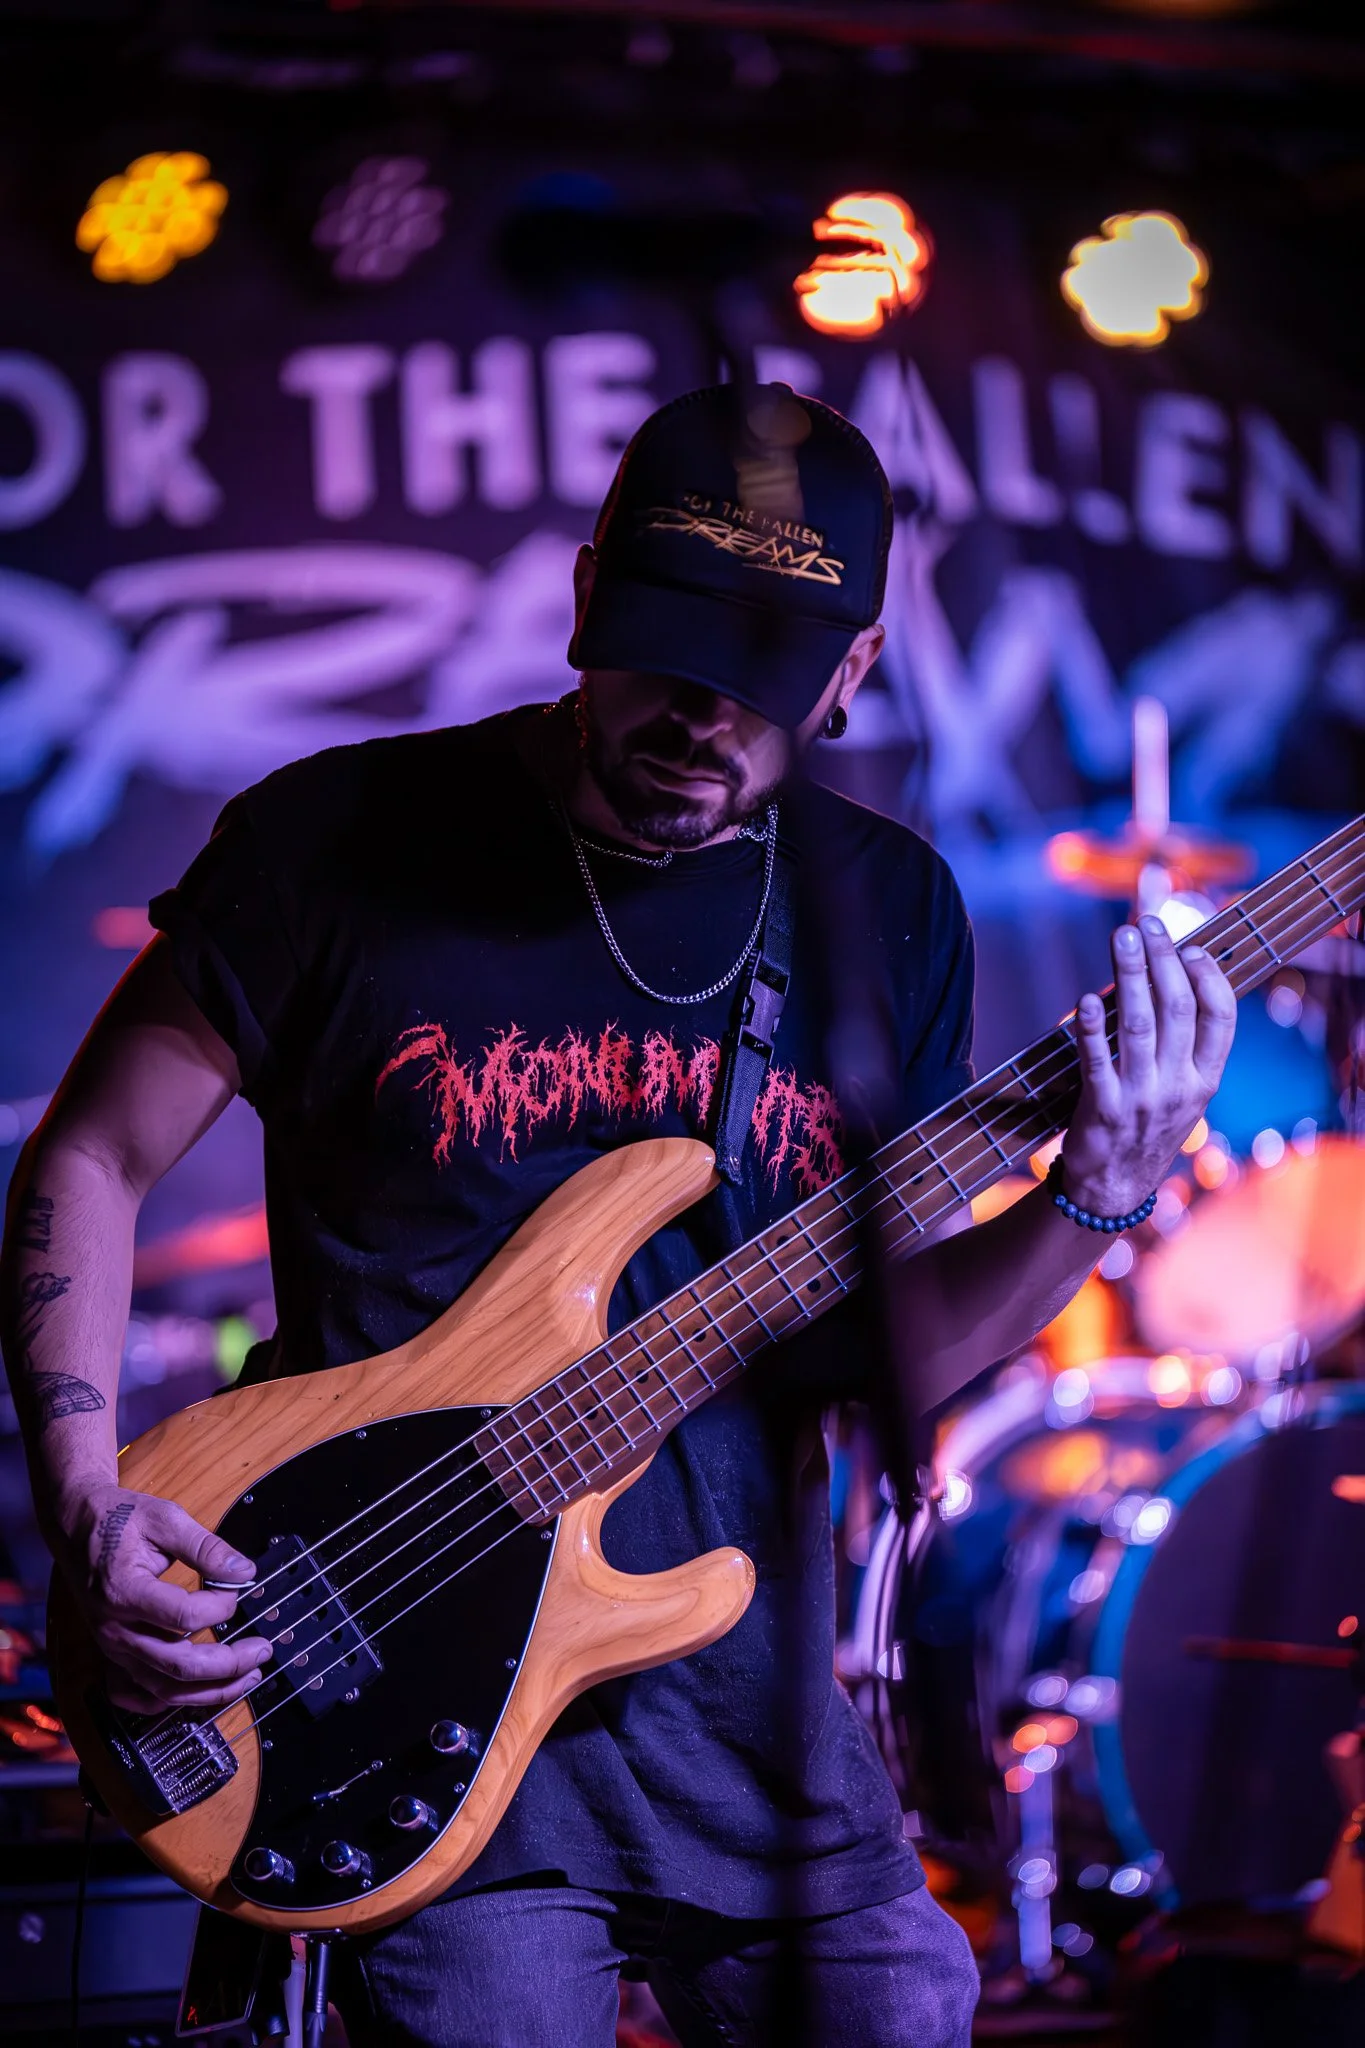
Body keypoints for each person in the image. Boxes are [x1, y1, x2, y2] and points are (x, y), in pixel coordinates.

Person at [0, 384, 1235, 2048]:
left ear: (853, 675)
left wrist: (1102, 1190)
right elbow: (87, 1154)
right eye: (668, 655)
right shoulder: (338, 838)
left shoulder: (885, 914)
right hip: (400, 1713)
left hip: (759, 1728)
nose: (700, 717)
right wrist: (85, 1500)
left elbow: (878, 1355)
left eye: (763, 685)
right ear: (586, 597)